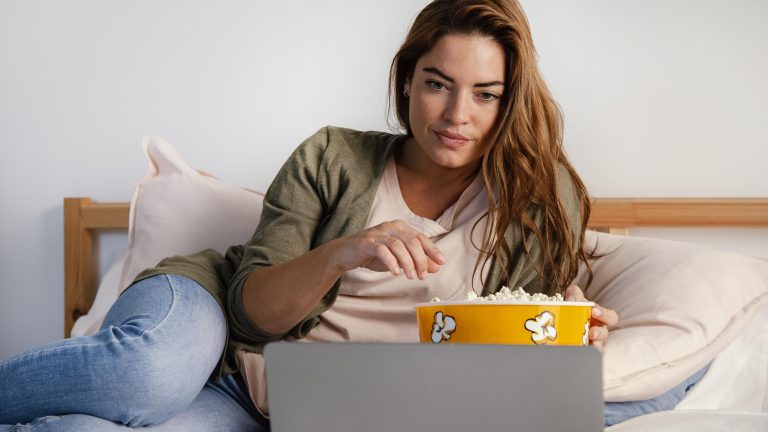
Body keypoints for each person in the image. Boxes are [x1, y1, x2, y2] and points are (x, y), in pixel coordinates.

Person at [0, 0, 619, 430]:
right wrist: (345, 251)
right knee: (147, 377)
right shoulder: (332, 156)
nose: (458, 113)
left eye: (486, 95)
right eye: (438, 83)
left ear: (510, 102)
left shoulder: (538, 198)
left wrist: (569, 332)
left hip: (274, 412)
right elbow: (251, 310)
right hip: (211, 326)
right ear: (407, 82)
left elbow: (520, 362)